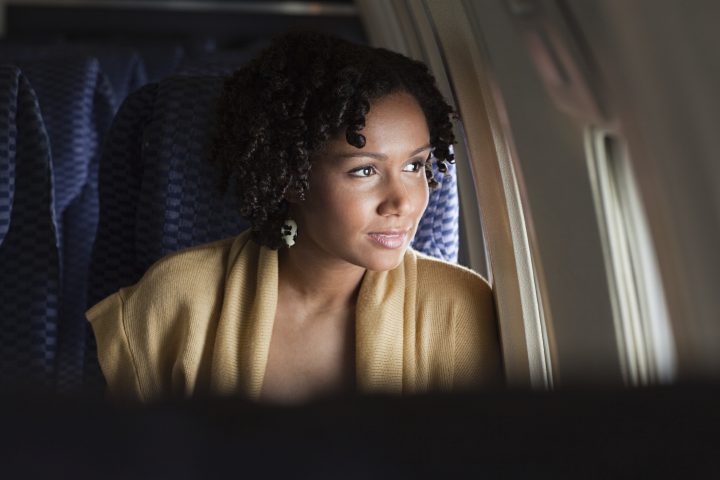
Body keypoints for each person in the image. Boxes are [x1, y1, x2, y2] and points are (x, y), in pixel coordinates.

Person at [86, 32, 502, 404]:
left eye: (415, 166)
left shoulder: (462, 310)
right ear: (290, 176)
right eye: (364, 170)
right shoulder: (173, 301)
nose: (402, 202)